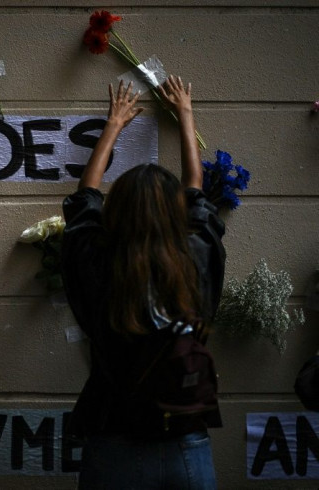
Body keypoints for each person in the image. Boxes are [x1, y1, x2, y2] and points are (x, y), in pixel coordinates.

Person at [61, 76, 226, 489]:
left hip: (112, 442)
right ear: (175, 216)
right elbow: (195, 192)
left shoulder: (97, 264)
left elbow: (85, 198)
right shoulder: (197, 260)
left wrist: (114, 124)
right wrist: (185, 115)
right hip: (184, 443)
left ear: (116, 214)